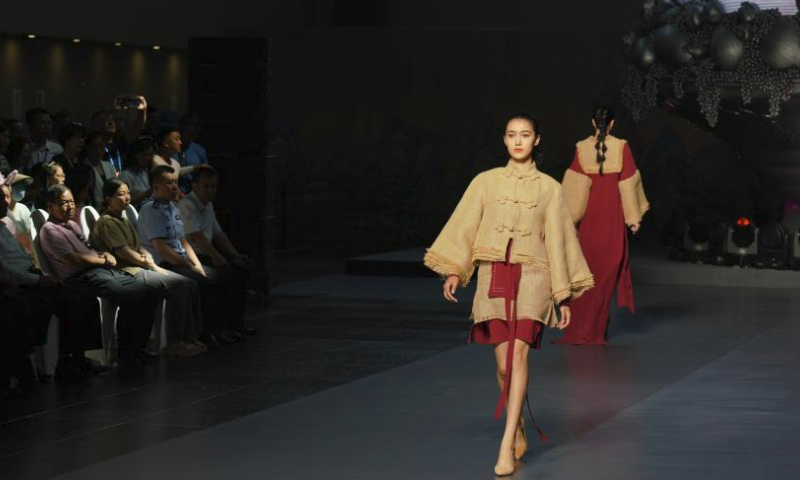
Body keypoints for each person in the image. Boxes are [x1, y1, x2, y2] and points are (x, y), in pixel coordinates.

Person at [423, 113, 594, 476]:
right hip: (494, 274)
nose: (518, 140)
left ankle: (505, 445)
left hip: (535, 275)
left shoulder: (549, 188)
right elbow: (465, 224)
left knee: (517, 358)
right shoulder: (484, 182)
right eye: (512, 135)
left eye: (525, 134)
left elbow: (560, 241)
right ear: (504, 141)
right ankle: (516, 424)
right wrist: (455, 269)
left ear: (537, 140)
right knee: (503, 366)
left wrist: (563, 294)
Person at [554, 106, 649, 346]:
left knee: (586, 276)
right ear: (613, 123)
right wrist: (633, 218)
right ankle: (593, 332)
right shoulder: (622, 147)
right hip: (611, 223)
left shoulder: (582, 148)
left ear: (593, 123)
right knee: (603, 279)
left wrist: (569, 221)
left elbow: (574, 190)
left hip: (588, 224)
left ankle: (582, 331)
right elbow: (628, 184)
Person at [39, 184, 159, 371]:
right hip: (80, 277)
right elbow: (74, 258)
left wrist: (102, 253)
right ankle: (126, 353)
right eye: (63, 203)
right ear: (50, 207)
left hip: (98, 271)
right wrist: (100, 260)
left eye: (71, 202)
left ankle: (137, 348)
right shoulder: (50, 229)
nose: (69, 206)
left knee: (149, 292)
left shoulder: (72, 225)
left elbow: (88, 249)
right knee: (130, 296)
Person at [91, 178, 206, 357]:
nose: (127, 198)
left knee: (190, 283)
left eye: (128, 193)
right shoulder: (106, 222)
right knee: (179, 285)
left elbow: (138, 246)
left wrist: (147, 256)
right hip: (128, 271)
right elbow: (125, 253)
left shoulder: (124, 219)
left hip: (141, 266)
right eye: (121, 194)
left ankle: (189, 338)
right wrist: (148, 263)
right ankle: (175, 342)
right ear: (108, 199)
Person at [1, 182, 104, 382]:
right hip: (19, 282)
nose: (5, 201)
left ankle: (80, 357)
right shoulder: (50, 228)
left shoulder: (4, 226)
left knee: (85, 297)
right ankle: (60, 363)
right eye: (1, 197)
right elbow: (7, 269)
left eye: (7, 196)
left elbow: (19, 258)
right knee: (67, 301)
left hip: (30, 275)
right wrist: (38, 279)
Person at [138, 166, 241, 346]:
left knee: (223, 274)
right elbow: (162, 250)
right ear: (156, 187)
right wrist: (189, 266)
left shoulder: (172, 208)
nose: (174, 187)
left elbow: (183, 241)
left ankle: (222, 328)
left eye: (176, 182)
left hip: (180, 260)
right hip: (163, 264)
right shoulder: (150, 210)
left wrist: (197, 265)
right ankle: (202, 334)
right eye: (169, 183)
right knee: (202, 281)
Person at [178, 167, 254, 335]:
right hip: (193, 257)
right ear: (195, 185)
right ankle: (214, 330)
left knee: (242, 270)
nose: (210, 191)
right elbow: (197, 237)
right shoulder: (186, 205)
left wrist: (234, 255)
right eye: (206, 186)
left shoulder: (208, 206)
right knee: (222, 277)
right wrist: (219, 258)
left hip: (208, 254)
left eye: (213, 186)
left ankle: (235, 325)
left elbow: (219, 234)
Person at [83, 132, 118, 209]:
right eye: (94, 147)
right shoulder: (83, 168)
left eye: (101, 147)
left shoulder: (109, 165)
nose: (98, 151)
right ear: (87, 147)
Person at [118, 136, 154, 208]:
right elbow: (121, 201)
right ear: (135, 155)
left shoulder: (148, 172)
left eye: (150, 155)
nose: (148, 158)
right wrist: (145, 194)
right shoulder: (125, 175)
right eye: (144, 155)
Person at [178, 114, 209, 192]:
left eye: (194, 133)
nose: (190, 136)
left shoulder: (199, 150)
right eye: (188, 132)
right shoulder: (171, 148)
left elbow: (204, 176)